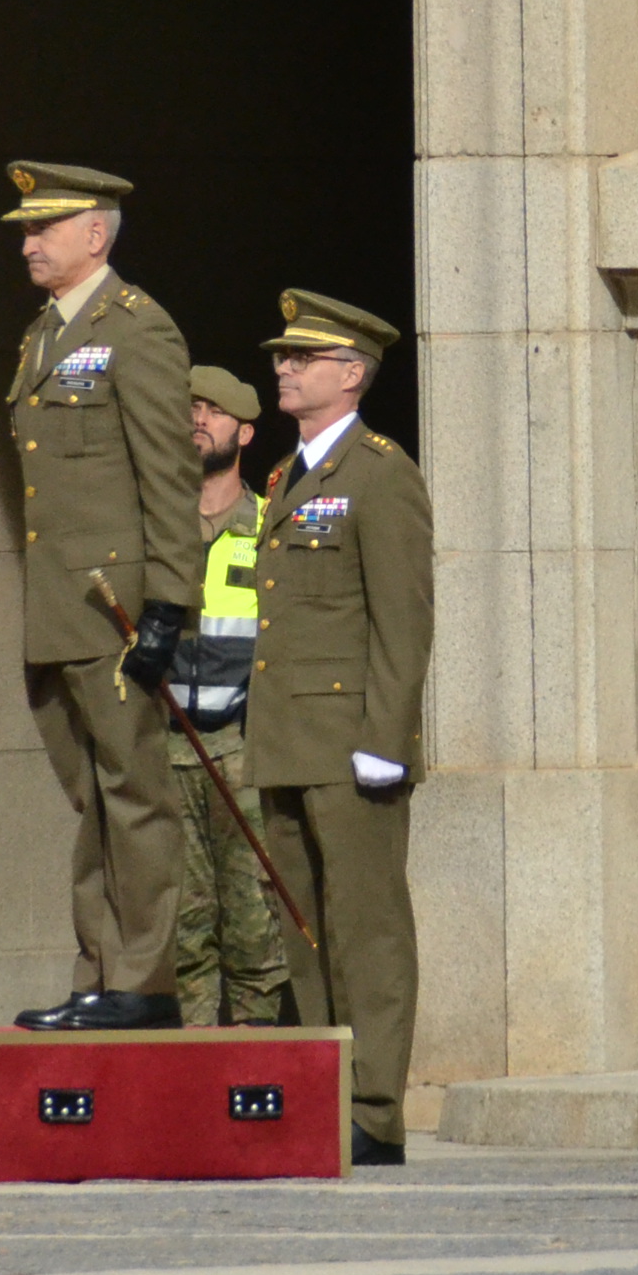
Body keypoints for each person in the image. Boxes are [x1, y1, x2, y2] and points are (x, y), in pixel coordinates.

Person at [0, 161, 204, 1034]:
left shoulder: (137, 328)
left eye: (43, 228)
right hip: (60, 609)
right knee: (91, 800)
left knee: (135, 794)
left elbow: (169, 475)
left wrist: (168, 605)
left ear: (95, 233)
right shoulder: (43, 335)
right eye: (24, 230)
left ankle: (144, 979)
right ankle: (102, 971)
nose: (28, 243)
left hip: (116, 608)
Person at [249, 291, 435, 1164]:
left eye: (303, 357)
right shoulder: (286, 477)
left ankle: (375, 1109)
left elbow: (404, 618)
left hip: (349, 741)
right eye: (282, 356)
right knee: (305, 929)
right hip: (288, 736)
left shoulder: (379, 472)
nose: (284, 368)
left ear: (352, 373)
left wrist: (386, 739)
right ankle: (323, 1096)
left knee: (366, 929)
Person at [168, 364, 289, 1027]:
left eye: (214, 411)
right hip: (165, 749)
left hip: (243, 752)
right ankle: (192, 1065)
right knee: (180, 932)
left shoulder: (269, 528)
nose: (198, 419)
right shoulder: (157, 527)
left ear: (244, 432)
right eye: (190, 407)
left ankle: (251, 1062)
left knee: (252, 925)